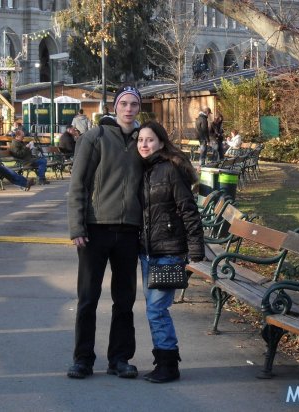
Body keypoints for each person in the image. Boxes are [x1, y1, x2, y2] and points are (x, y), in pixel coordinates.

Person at [67, 85, 144, 380]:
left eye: (134, 104)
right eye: (124, 104)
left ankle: (120, 359)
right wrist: (77, 226)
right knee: (88, 298)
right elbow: (78, 184)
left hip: (129, 231)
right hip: (95, 229)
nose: (129, 109)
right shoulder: (95, 137)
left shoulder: (143, 140)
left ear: (139, 108)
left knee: (125, 300)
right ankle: (83, 359)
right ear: (115, 107)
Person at [136, 121, 204, 383]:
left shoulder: (169, 170)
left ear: (161, 143)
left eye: (150, 140)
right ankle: (163, 361)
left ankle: (169, 365)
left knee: (157, 310)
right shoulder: (143, 169)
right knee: (154, 310)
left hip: (169, 250)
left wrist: (195, 249)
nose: (144, 144)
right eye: (140, 140)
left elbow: (188, 210)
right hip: (148, 251)